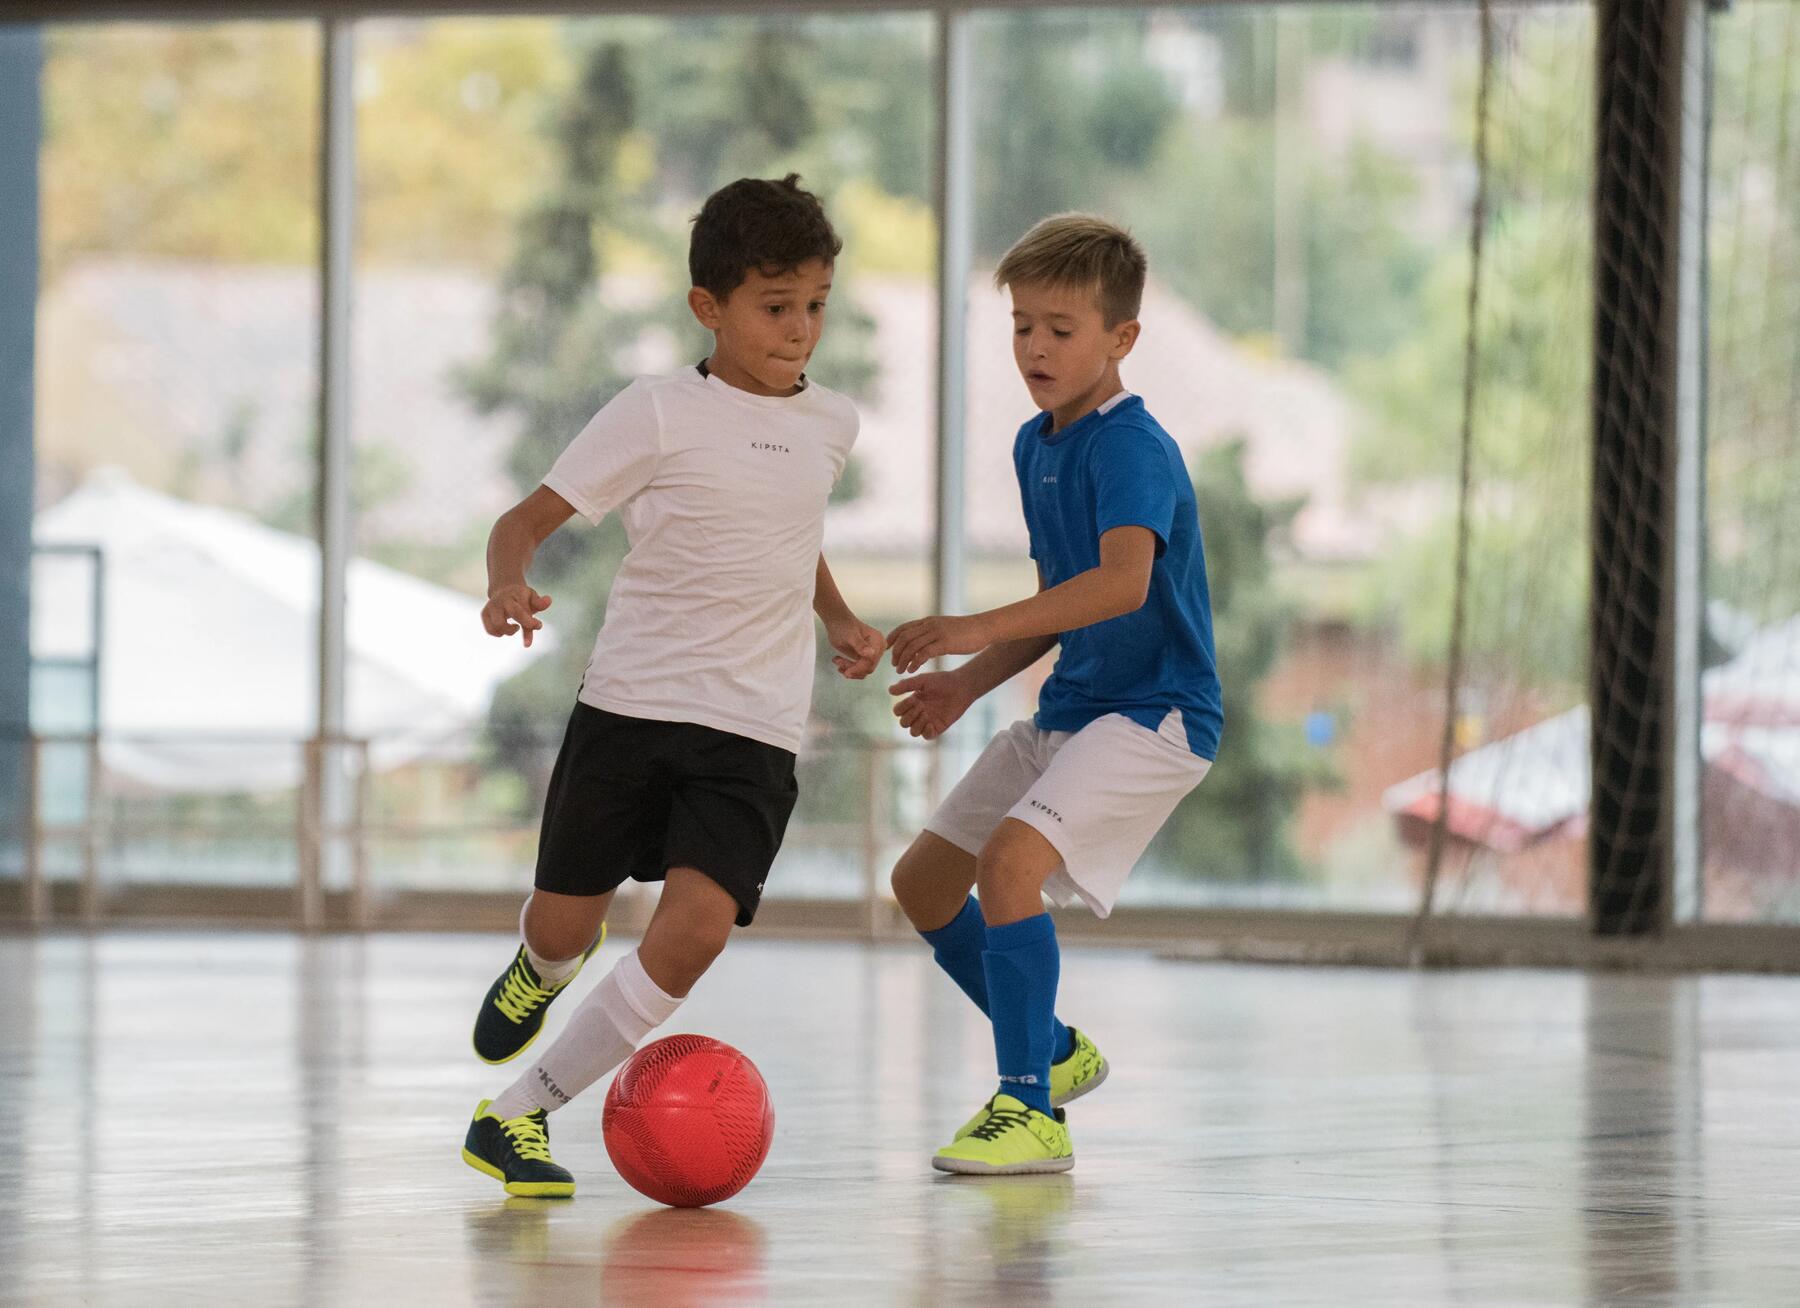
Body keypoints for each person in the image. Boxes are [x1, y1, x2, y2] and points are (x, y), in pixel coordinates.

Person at [460, 174, 884, 1197]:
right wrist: (507, 581)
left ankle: (515, 1116)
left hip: (755, 728)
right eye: (776, 307)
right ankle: (543, 972)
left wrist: (836, 616)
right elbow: (521, 522)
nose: (800, 330)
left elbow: (790, 535)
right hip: (632, 711)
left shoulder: (833, 425)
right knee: (566, 926)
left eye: (816, 305)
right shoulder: (654, 413)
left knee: (691, 934)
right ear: (711, 308)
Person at [884, 213, 1223, 1175]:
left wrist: (971, 628)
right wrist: (962, 685)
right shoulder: (1040, 443)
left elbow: (1121, 584)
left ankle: (1028, 1109)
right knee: (922, 883)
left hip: (1157, 716)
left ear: (1122, 339)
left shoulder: (1132, 448)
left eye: (1060, 329)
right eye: (1022, 324)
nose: (1035, 346)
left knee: (1008, 864)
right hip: (1075, 707)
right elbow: (1059, 607)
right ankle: (1058, 1051)